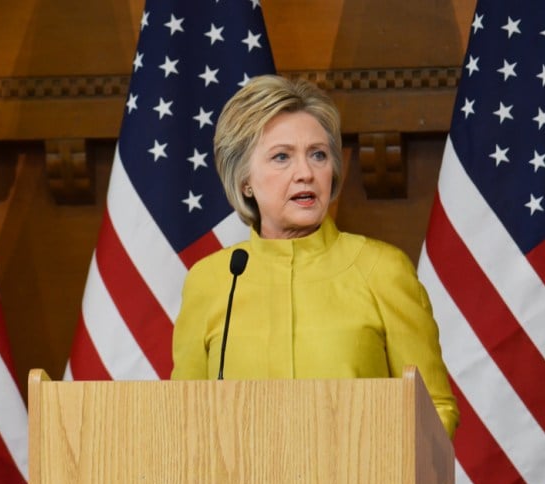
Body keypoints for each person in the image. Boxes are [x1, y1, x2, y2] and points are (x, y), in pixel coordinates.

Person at [170, 75, 459, 438]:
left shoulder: (381, 270)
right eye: (281, 157)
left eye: (318, 155)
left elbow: (435, 410)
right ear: (244, 179)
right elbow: (183, 418)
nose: (305, 173)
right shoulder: (213, 281)